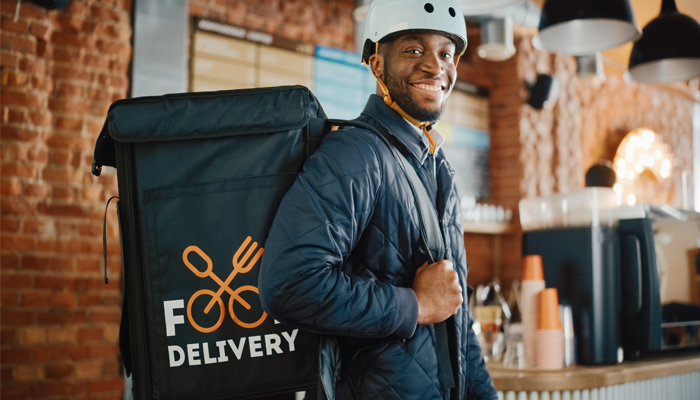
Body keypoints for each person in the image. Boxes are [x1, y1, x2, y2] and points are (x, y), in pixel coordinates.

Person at [259, 0, 498, 398]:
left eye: (446, 53)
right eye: (414, 50)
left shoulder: (439, 169)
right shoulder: (355, 154)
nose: (436, 67)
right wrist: (415, 306)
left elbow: (454, 309)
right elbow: (288, 285)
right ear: (376, 64)